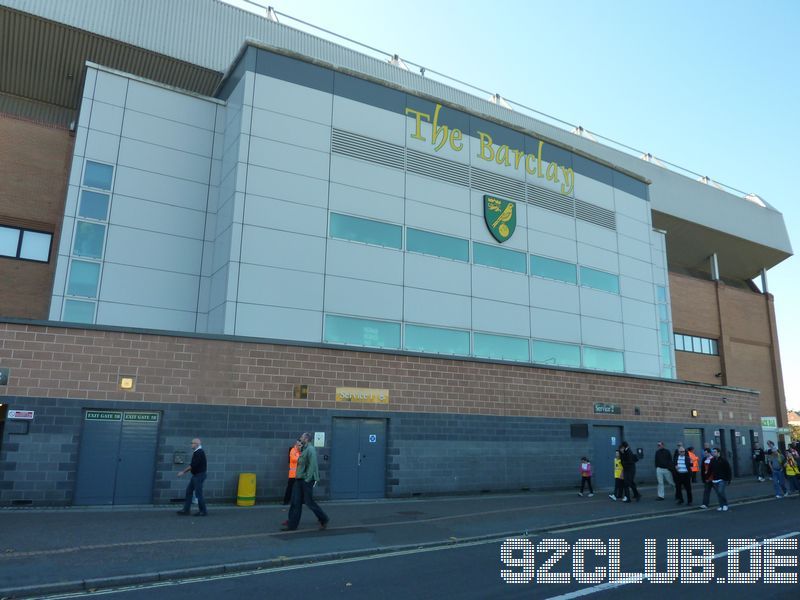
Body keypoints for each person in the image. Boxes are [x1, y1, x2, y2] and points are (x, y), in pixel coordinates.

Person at [282, 432, 329, 531]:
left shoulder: (310, 449)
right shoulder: (304, 449)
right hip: (299, 479)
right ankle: (292, 525)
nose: (300, 438)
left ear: (306, 439)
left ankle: (324, 519)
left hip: (306, 480)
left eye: (302, 437)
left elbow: (313, 465)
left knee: (309, 502)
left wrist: (307, 479)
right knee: (295, 502)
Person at [177, 438, 207, 516]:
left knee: (198, 494)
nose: (191, 444)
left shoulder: (199, 453)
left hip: (199, 476)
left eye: (192, 443)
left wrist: (183, 472)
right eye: (191, 443)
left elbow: (192, 466)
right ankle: (186, 510)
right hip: (196, 476)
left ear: (197, 444)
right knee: (189, 491)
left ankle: (203, 511)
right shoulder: (197, 452)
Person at [709, 447, 732, 511]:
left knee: (720, 491)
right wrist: (708, 477)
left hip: (722, 479)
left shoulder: (723, 460)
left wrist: (729, 479)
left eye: (715, 452)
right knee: (718, 493)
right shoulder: (712, 460)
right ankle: (721, 505)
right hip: (715, 479)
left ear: (718, 452)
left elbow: (728, 470)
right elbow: (710, 470)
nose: (713, 453)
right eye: (712, 452)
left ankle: (725, 505)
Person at [282, 439, 302, 505]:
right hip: (293, 475)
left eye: (300, 445)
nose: (300, 446)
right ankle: (286, 501)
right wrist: (301, 457)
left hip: (300, 474)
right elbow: (294, 459)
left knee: (301, 488)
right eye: (298, 444)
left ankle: (301, 501)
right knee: (290, 488)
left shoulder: (300, 451)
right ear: (296, 444)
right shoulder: (293, 450)